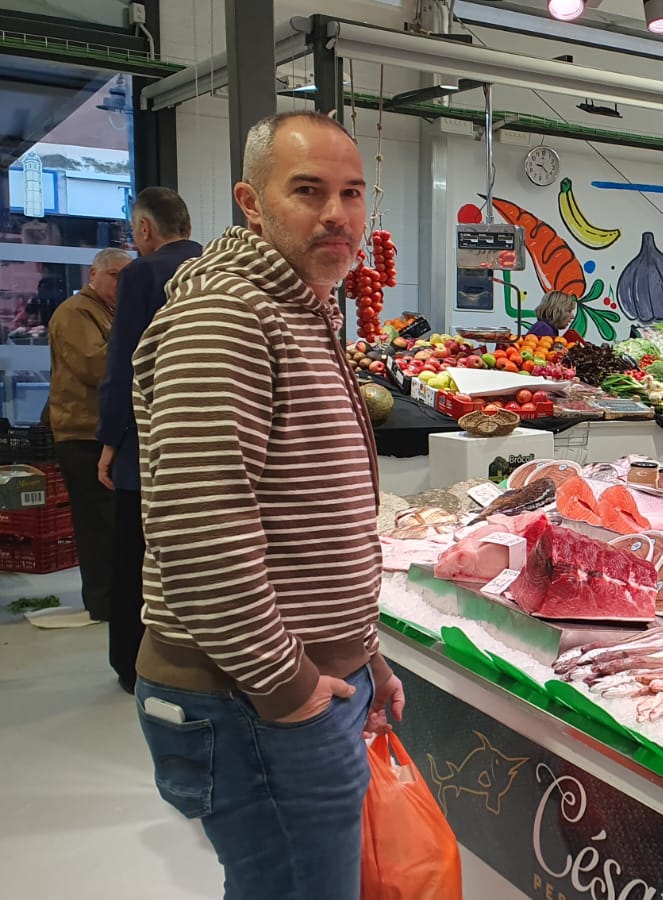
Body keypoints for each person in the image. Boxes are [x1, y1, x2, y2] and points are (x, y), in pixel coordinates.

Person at [130, 111, 403, 900]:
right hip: (248, 699)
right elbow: (199, 531)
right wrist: (290, 687)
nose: (336, 215)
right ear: (251, 202)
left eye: (352, 194)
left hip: (285, 689)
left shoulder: (300, 307)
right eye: (308, 191)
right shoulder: (227, 317)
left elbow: (306, 518)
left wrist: (363, 649)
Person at [96, 186, 203, 693]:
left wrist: (111, 440)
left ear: (144, 229)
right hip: (206, 441)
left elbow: (126, 364)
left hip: (149, 444)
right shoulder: (212, 268)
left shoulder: (142, 274)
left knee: (136, 555)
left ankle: (131, 663)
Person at [46, 247, 129, 624]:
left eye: (126, 276)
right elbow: (95, 365)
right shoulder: (76, 312)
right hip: (82, 432)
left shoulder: (108, 312)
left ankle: (112, 600)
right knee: (97, 525)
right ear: (92, 275)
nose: (120, 283)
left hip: (101, 430)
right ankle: (103, 602)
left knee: (110, 523)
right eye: (114, 275)